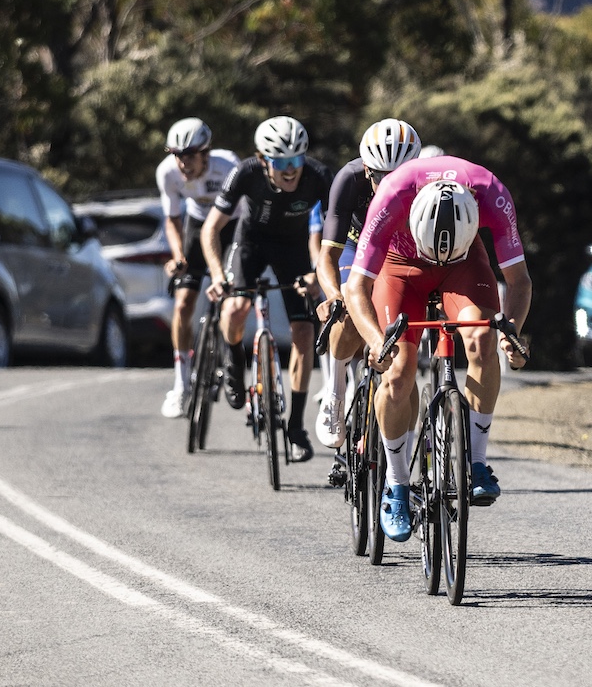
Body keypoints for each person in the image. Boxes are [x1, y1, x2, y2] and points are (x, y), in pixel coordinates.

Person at [344, 156, 531, 542]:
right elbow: (355, 289)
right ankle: (395, 487)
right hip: (401, 265)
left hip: (463, 264)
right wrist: (379, 343)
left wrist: (510, 333)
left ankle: (477, 463)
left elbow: (519, 282)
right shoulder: (392, 194)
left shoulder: (491, 192)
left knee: (481, 339)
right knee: (397, 370)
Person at [201, 116, 333, 463]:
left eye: (296, 161)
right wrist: (217, 274)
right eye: (281, 163)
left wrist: (319, 275)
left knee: (304, 333)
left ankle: (296, 427)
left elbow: (333, 237)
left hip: (294, 249)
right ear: (263, 160)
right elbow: (211, 229)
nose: (290, 171)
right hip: (251, 243)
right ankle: (233, 359)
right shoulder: (245, 172)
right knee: (235, 309)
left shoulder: (319, 177)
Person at [314, 119, 423, 454]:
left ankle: (400, 457)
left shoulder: (427, 182)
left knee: (404, 358)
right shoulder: (347, 180)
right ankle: (334, 393)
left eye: (397, 177)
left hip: (400, 252)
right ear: (365, 169)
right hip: (354, 246)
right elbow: (327, 254)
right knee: (347, 310)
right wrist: (333, 295)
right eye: (379, 177)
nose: (387, 186)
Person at [157, 118, 240, 419]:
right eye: (177, 155)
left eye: (189, 155)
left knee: (232, 301)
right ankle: (181, 385)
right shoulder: (167, 172)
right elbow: (172, 220)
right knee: (182, 305)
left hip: (230, 227)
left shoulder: (228, 164)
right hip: (195, 225)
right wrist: (179, 256)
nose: (182, 162)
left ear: (206, 152)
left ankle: (230, 357)